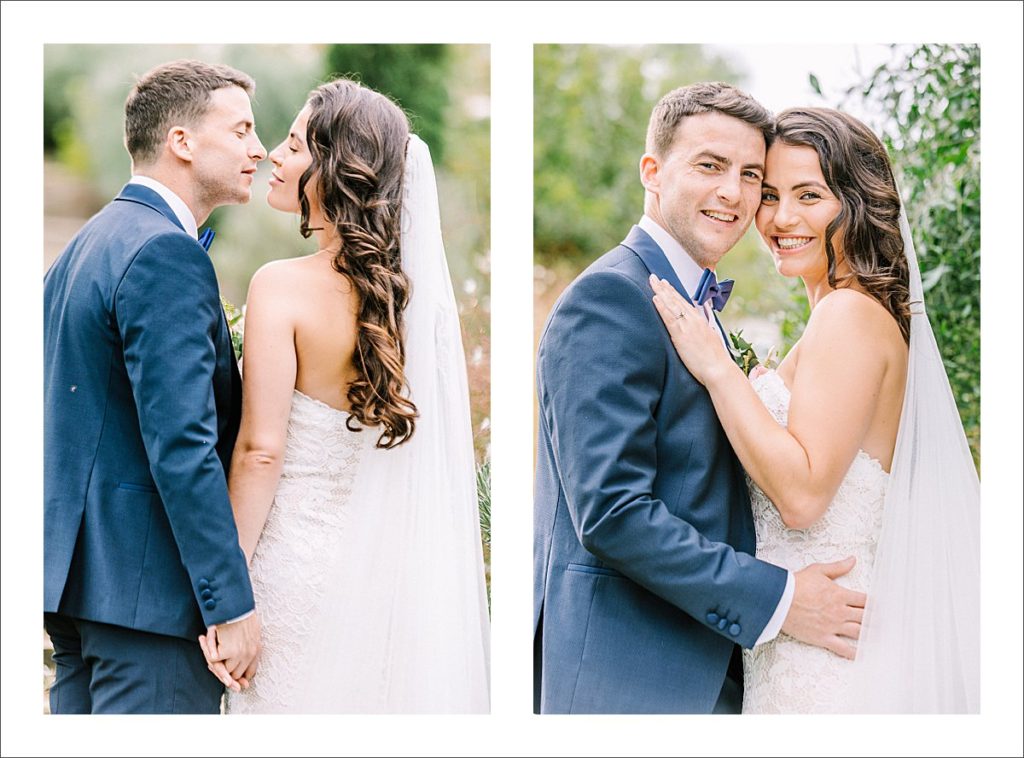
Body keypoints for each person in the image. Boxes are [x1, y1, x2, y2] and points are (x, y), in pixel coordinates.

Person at [533, 83, 865, 714]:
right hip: (626, 676)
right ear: (652, 172)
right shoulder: (610, 299)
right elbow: (613, 513)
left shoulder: (693, 302)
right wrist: (783, 600)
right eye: (710, 166)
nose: (734, 194)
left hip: (711, 669)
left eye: (751, 176)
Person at [650, 106, 979, 713]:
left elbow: (802, 499)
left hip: (826, 654)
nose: (780, 218)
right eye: (769, 195)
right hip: (800, 637)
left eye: (810, 195)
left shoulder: (848, 315)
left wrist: (721, 372)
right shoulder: (848, 313)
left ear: (855, 205)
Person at [203, 79, 490, 714]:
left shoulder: (281, 286)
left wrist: (228, 590)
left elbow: (259, 452)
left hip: (290, 578)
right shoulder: (415, 308)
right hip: (387, 581)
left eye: (296, 144)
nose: (275, 154)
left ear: (337, 167)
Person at [43, 60, 266, 714]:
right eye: (242, 129)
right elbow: (182, 445)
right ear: (182, 142)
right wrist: (230, 604)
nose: (258, 149)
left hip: (80, 589)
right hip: (149, 600)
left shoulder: (86, 244)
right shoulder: (166, 253)